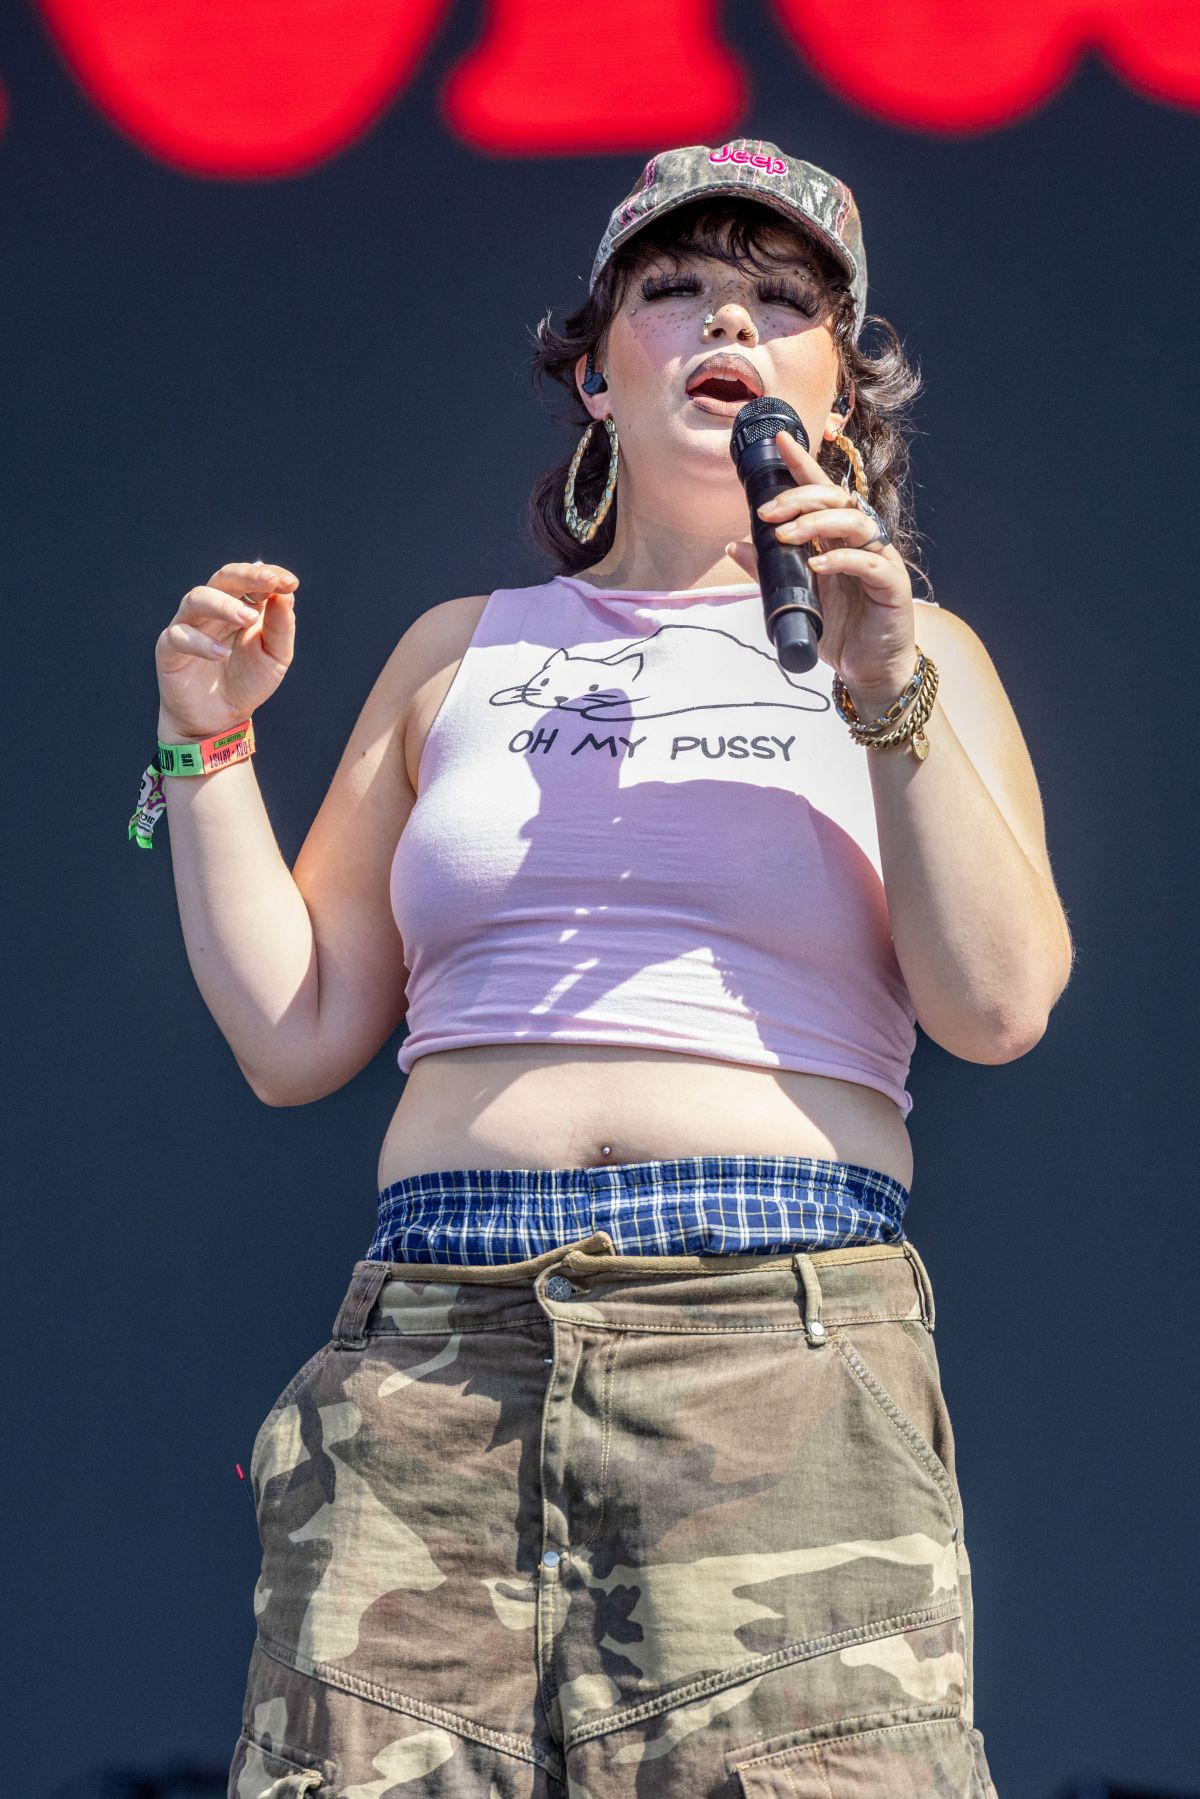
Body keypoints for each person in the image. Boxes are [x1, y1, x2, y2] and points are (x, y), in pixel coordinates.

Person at [138, 140, 1071, 1797]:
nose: (730, 315)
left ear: (838, 392)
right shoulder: (460, 650)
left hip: (774, 1347)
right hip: (435, 1354)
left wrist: (885, 686)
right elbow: (298, 1036)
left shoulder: (922, 651)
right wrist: (201, 756)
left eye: (784, 301)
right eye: (675, 288)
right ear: (594, 373)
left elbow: (999, 1006)